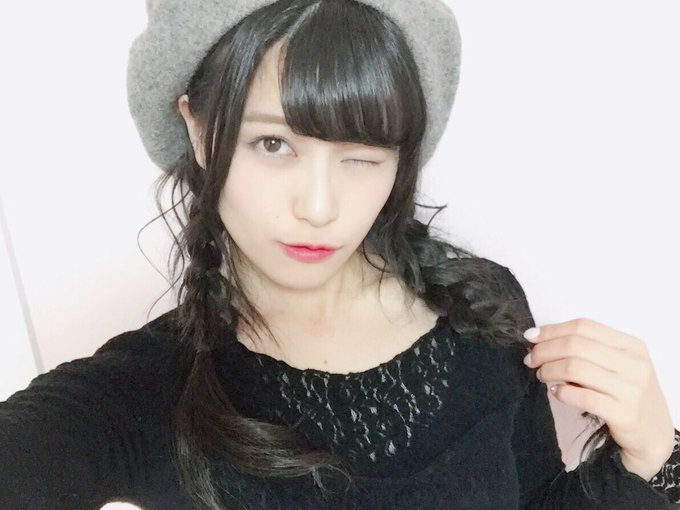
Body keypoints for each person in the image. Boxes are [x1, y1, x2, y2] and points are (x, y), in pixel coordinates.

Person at [1, 0, 679, 509]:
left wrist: (653, 454)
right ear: (198, 129)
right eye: (273, 144)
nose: (320, 208)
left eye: (362, 155)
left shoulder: (480, 307)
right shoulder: (149, 392)